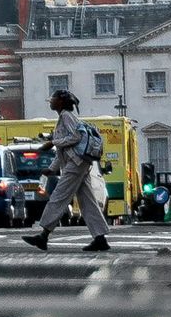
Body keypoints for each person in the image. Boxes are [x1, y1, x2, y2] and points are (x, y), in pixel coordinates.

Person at [21, 89, 111, 251]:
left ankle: (43, 236)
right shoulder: (65, 117)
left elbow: (75, 138)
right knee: (87, 202)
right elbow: (66, 148)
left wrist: (53, 142)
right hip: (79, 163)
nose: (51, 102)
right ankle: (100, 238)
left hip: (76, 164)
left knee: (58, 197)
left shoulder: (66, 116)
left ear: (61, 102)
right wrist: (51, 168)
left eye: (53, 99)